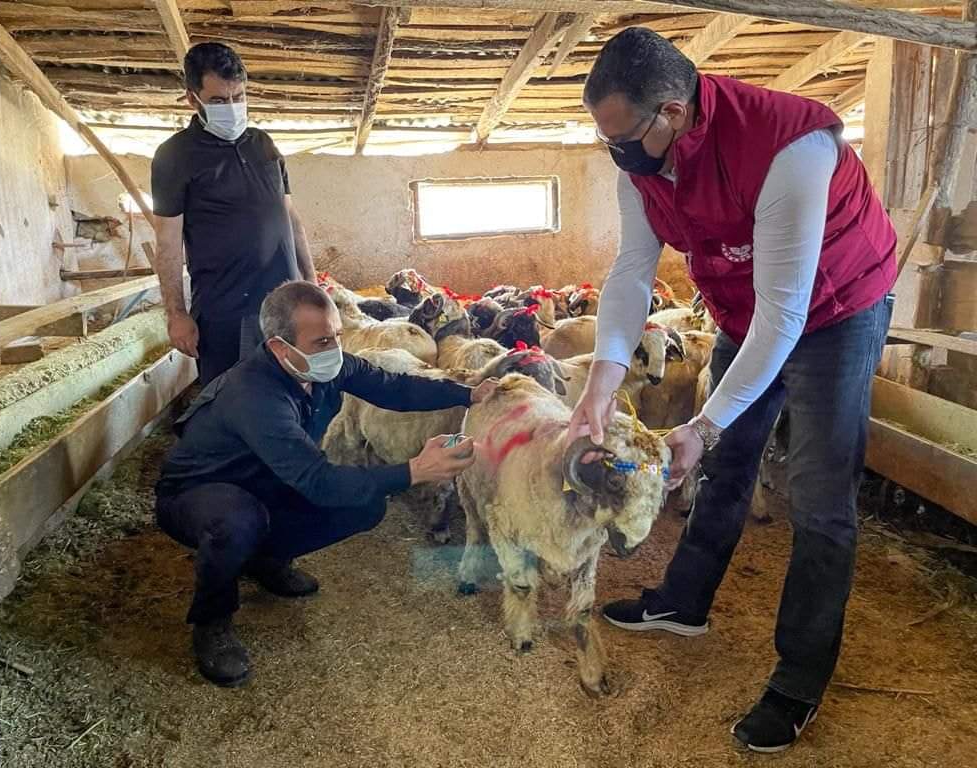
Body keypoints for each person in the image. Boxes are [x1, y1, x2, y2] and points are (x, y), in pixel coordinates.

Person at [568, 28, 896, 752]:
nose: (615, 151)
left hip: (835, 310)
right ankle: (684, 601)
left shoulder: (791, 148)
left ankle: (799, 679)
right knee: (723, 462)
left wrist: (703, 422)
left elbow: (788, 315)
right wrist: (601, 377)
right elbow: (631, 269)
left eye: (623, 135)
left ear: (674, 111)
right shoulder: (643, 159)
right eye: (605, 136)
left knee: (818, 495)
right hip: (750, 307)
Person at [155, 281, 496, 687]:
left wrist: (468, 394)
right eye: (322, 341)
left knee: (365, 504)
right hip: (200, 494)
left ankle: (266, 560)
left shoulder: (325, 365)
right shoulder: (254, 395)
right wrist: (414, 471)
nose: (335, 347)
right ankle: (213, 620)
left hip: (270, 477)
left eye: (336, 335)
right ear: (282, 348)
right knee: (237, 521)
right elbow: (317, 481)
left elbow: (393, 387)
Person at [151, 42, 315, 385]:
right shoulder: (175, 156)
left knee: (291, 393)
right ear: (192, 99)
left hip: (284, 305)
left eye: (239, 97)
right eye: (219, 101)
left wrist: (312, 286)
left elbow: (291, 220)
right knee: (230, 400)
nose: (232, 107)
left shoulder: (265, 145)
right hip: (225, 312)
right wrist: (177, 315)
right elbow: (167, 243)